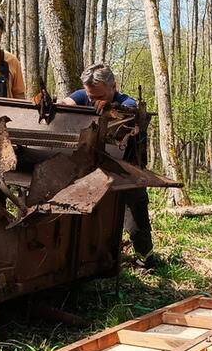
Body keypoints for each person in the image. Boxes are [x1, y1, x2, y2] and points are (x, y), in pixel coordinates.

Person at [60, 63, 155, 267]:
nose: (93, 100)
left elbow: (130, 111)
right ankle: (92, 257)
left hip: (128, 169)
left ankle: (145, 258)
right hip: (95, 167)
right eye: (90, 96)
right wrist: (53, 106)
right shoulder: (84, 94)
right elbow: (66, 104)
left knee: (136, 212)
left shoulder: (126, 102)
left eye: (99, 96)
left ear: (113, 87)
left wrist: (112, 110)